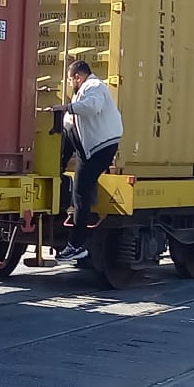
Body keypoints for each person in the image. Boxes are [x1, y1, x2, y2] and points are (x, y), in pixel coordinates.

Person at [46, 59, 122, 262]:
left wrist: (68, 107)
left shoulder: (94, 86)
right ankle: (56, 171)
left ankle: (77, 245)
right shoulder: (84, 90)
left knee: (81, 194)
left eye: (71, 80)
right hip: (89, 148)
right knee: (79, 190)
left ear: (78, 77)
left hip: (101, 147)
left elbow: (93, 107)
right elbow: (71, 122)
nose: (70, 84)